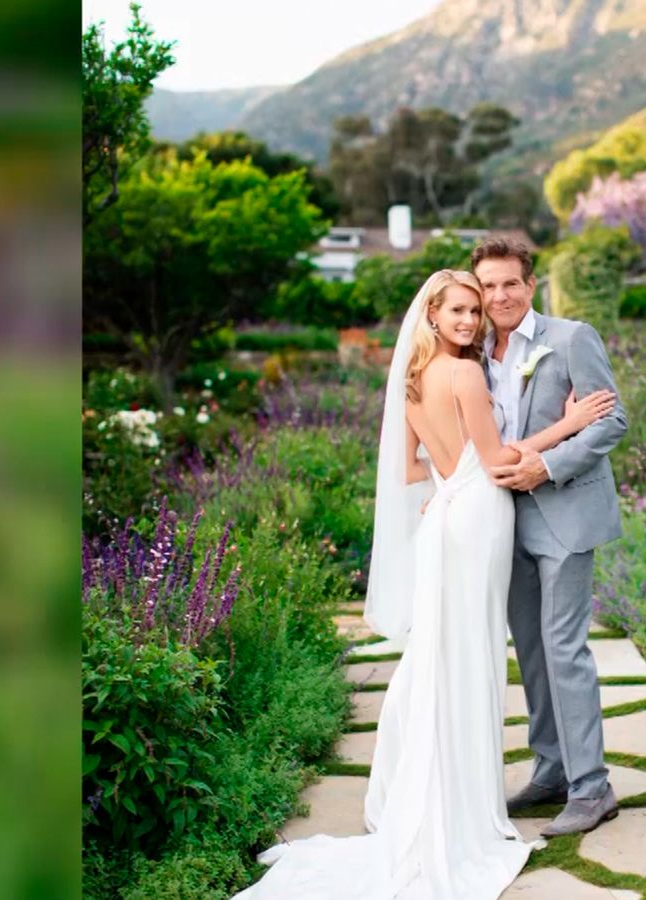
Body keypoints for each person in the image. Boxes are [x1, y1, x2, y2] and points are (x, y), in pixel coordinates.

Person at [232, 269, 616, 899]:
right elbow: (496, 463)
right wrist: (567, 424)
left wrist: (449, 476)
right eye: (459, 311)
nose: (470, 321)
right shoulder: (464, 373)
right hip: (479, 518)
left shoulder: (412, 378)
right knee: (466, 655)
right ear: (432, 315)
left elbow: (412, 464)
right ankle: (459, 808)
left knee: (443, 653)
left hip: (446, 517)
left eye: (474, 311)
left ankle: (433, 793)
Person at [473, 238, 628, 837]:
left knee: (564, 648)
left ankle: (593, 788)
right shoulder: (475, 351)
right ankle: (552, 771)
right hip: (501, 518)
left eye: (510, 283)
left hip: (563, 515)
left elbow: (613, 420)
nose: (499, 296)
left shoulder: (569, 338)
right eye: (488, 286)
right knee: (531, 652)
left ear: (529, 284)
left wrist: (550, 464)